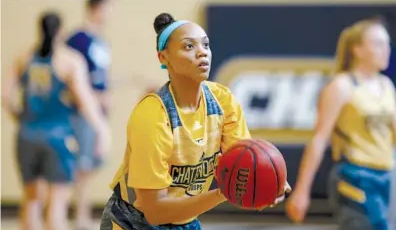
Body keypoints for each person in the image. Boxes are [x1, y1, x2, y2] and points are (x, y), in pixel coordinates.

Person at [99, 13, 291, 230]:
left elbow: (243, 159)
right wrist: (223, 192)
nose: (202, 52)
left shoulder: (223, 100)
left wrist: (269, 179)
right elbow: (155, 211)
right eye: (189, 46)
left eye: (205, 45)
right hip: (134, 220)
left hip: (184, 220)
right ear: (163, 58)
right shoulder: (152, 115)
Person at [286, 17, 396, 230]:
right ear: (357, 49)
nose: (385, 49)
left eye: (387, 43)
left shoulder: (386, 85)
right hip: (355, 177)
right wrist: (302, 190)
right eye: (377, 43)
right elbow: (319, 139)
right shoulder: (341, 86)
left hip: (386, 178)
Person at [1, 11, 110, 230]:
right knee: (57, 203)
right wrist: (102, 129)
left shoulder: (24, 57)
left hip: (27, 135)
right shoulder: (69, 60)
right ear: (60, 31)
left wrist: (20, 116)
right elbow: (86, 102)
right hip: (58, 138)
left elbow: (5, 94)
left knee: (31, 200)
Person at [66, 0, 111, 228]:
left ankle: (77, 210)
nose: (110, 13)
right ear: (96, 8)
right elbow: (71, 78)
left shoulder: (101, 41)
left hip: (99, 111)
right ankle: (79, 214)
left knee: (96, 159)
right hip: (83, 112)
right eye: (107, 8)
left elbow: (101, 77)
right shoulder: (77, 40)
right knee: (82, 164)